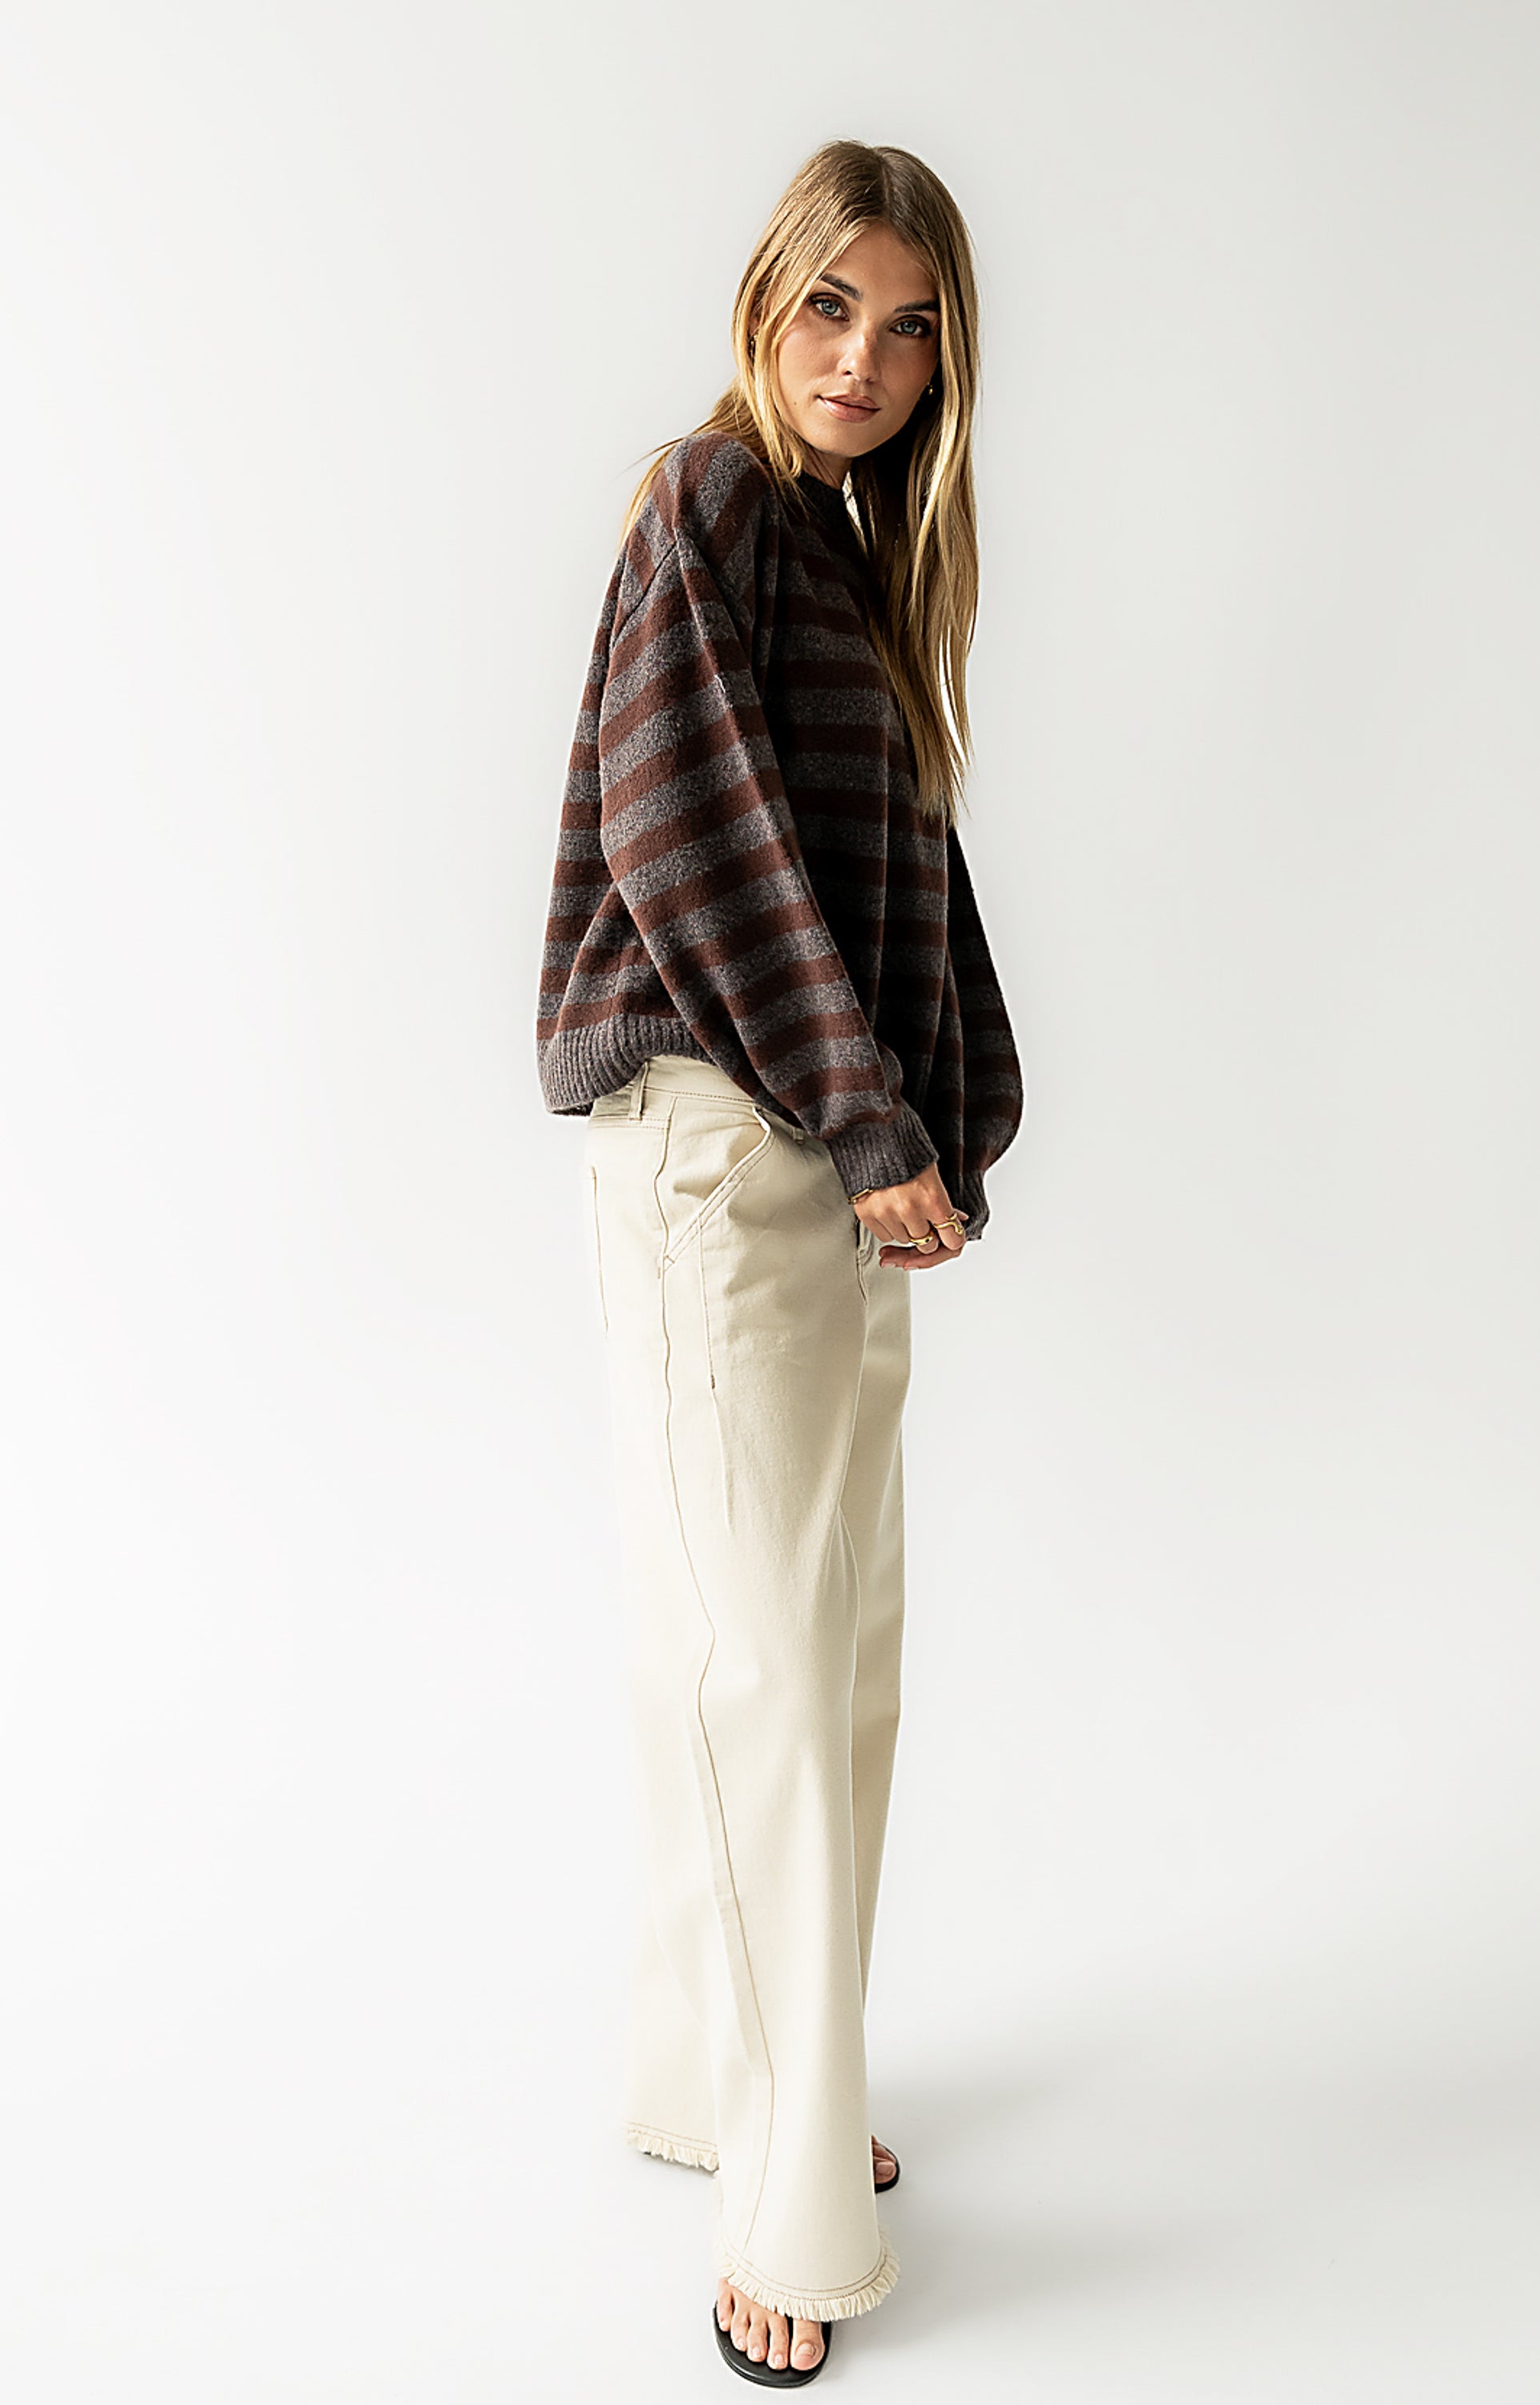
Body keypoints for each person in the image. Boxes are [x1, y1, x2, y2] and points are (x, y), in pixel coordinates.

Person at [536, 136, 1023, 2386]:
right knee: (762, 1679)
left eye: (908, 328)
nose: (863, 362)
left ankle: (717, 2079)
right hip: (729, 1151)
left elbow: (895, 866)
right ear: (767, 299)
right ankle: (785, 2207)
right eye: (833, 307)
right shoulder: (705, 504)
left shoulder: (842, 545)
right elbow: (690, 838)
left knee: (815, 1666)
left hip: (819, 1158)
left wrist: (940, 1111)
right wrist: (867, 1114)